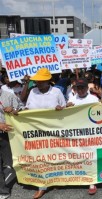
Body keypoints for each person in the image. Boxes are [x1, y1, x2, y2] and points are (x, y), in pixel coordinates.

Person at [25, 68, 66, 199]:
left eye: (41, 81)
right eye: (37, 80)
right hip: (36, 131)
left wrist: (60, 109)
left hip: (54, 130)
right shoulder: (33, 91)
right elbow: (27, 108)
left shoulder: (57, 92)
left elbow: (65, 108)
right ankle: (42, 186)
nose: (38, 83)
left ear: (48, 81)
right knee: (41, 158)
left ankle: (55, 179)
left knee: (55, 155)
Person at [66, 78, 99, 195]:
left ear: (87, 88)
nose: (80, 90)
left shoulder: (94, 99)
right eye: (78, 88)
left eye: (82, 88)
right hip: (76, 132)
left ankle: (92, 181)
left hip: (90, 133)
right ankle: (79, 177)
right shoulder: (72, 99)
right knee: (79, 155)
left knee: (91, 156)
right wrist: (66, 107)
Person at [0, 86, 20, 199]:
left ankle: (24, 179)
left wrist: (13, 110)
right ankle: (3, 191)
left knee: (13, 162)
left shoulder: (9, 95)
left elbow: (22, 110)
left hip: (9, 136)